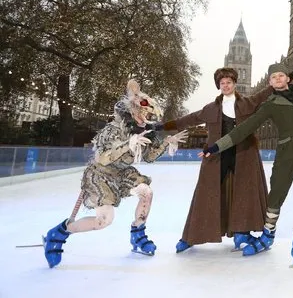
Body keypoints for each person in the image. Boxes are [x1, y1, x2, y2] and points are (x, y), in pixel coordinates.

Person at [200, 60, 293, 266]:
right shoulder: (269, 105)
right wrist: (216, 146)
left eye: (281, 75)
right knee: (275, 198)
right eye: (273, 77)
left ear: (288, 78)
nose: (278, 78)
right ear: (270, 82)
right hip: (286, 155)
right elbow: (243, 129)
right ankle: (267, 237)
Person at [42, 79, 188, 268]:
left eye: (148, 113)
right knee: (103, 221)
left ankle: (138, 234)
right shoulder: (113, 129)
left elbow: (150, 157)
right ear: (132, 111)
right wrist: (128, 144)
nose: (145, 116)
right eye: (142, 112)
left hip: (122, 173)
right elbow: (102, 158)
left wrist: (167, 141)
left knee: (146, 192)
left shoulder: (144, 132)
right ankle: (59, 233)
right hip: (101, 174)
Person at [153, 67, 274, 253]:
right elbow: (188, 119)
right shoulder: (211, 109)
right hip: (216, 155)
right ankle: (192, 235)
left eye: (228, 82)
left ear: (234, 84)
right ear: (219, 86)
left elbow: (265, 93)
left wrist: (285, 77)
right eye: (222, 83)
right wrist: (162, 126)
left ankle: (242, 232)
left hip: (244, 155)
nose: (225, 86)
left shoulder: (247, 103)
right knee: (206, 193)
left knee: (243, 193)